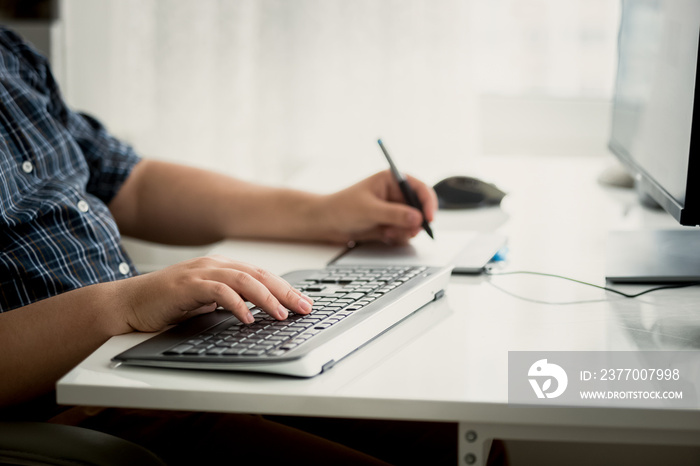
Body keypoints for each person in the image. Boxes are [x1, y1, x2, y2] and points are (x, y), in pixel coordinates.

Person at [0, 26, 463, 465]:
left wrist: (324, 213)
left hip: (152, 357)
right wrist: (125, 303)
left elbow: (131, 185)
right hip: (76, 410)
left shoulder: (10, 53)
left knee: (460, 444)